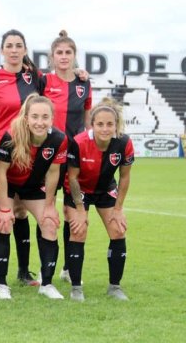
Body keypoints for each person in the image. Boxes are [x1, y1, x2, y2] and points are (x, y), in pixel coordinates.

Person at [0, 94, 68, 300]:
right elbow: (1, 173)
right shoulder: (11, 136)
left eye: (44, 117)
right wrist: (5, 208)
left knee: (49, 223)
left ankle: (47, 284)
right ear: (26, 118)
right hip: (7, 184)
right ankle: (1, 284)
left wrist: (50, 206)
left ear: (52, 118)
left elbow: (53, 174)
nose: (39, 122)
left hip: (32, 186)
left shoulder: (59, 139)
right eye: (35, 117)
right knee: (4, 223)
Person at [0, 29, 42, 287]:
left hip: (25, 152)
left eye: (19, 45)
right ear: (2, 49)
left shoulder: (35, 78)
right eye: (9, 45)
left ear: (25, 50)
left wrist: (80, 74)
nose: (14, 50)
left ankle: (24, 271)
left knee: (19, 211)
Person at [65, 97, 134, 302]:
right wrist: (79, 209)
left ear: (116, 125)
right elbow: (73, 178)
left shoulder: (123, 143)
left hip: (105, 189)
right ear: (92, 124)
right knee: (78, 230)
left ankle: (115, 287)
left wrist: (118, 208)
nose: (105, 128)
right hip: (80, 190)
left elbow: (124, 176)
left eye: (110, 124)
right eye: (100, 124)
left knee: (118, 230)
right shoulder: (79, 142)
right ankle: (76, 288)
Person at [39, 30, 92, 283]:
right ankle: (44, 266)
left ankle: (69, 268)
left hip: (74, 158)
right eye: (59, 52)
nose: (63, 56)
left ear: (74, 55)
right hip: (47, 156)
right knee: (45, 211)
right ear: (52, 56)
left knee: (72, 212)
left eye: (68, 52)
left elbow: (87, 117)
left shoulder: (83, 83)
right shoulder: (44, 81)